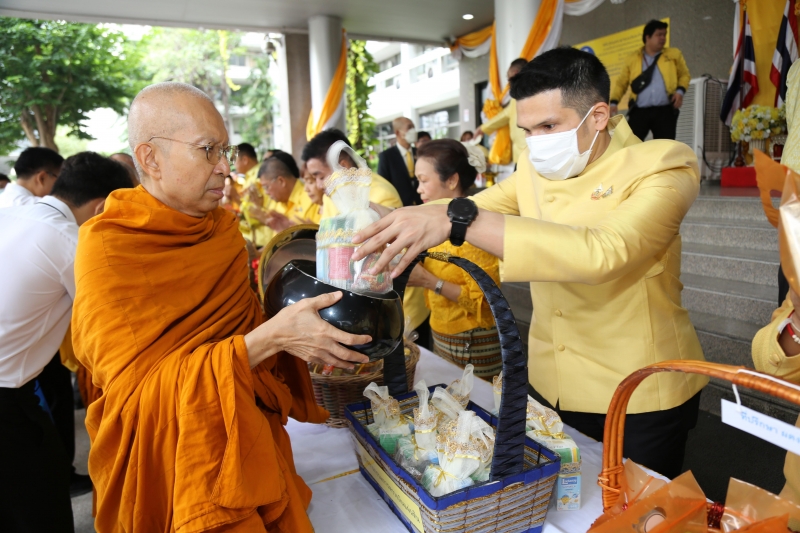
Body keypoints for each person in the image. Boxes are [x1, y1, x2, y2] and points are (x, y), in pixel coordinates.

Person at [352, 47, 707, 479]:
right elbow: (469, 206)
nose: (537, 142)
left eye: (549, 126)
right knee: (558, 501)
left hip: (637, 391)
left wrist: (452, 217)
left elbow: (603, 252)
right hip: (550, 381)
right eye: (527, 130)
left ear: (598, 116)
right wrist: (395, 220)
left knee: (635, 512)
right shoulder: (534, 171)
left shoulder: (664, 164)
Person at [71, 82, 370, 532]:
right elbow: (135, 398)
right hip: (174, 459)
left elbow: (244, 329)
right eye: (208, 150)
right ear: (150, 158)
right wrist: (271, 338)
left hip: (242, 435)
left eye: (225, 151)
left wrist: (298, 341)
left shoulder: (221, 232)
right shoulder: (110, 247)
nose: (226, 169)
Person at [0, 152, 133, 532]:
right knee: (41, 506)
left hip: (13, 388)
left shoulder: (11, 212)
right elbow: (114, 319)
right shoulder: (71, 240)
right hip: (6, 397)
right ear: (103, 206)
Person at [302, 129, 431, 348]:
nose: (320, 184)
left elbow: (394, 259)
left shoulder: (380, 194)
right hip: (356, 308)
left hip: (396, 307)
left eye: (319, 175)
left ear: (341, 164)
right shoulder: (337, 195)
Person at [408, 139, 502, 378]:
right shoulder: (439, 219)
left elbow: (484, 302)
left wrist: (429, 281)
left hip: (471, 341)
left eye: (424, 180)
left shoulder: (473, 229)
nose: (419, 189)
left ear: (451, 180)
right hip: (442, 332)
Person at [610, 19, 690, 141]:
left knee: (665, 148)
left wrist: (680, 92)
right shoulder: (633, 58)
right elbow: (622, 83)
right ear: (648, 37)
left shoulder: (674, 54)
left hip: (665, 111)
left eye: (664, 34)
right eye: (659, 35)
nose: (663, 38)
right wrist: (614, 102)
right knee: (631, 145)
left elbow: (684, 75)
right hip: (639, 111)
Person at [476, 58, 529, 164]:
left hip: (528, 153)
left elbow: (505, 115)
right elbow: (505, 115)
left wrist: (483, 128)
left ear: (515, 73)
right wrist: (483, 128)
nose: (508, 83)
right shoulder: (519, 94)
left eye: (508, 78)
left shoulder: (527, 92)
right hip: (521, 154)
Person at [250, 151, 316, 233]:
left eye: (266, 187)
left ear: (281, 181)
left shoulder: (312, 197)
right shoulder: (278, 205)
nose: (266, 192)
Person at [378, 116, 422, 207]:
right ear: (398, 132)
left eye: (413, 127)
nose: (413, 130)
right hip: (400, 207)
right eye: (409, 127)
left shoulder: (420, 152)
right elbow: (384, 185)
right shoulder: (386, 156)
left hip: (421, 205)